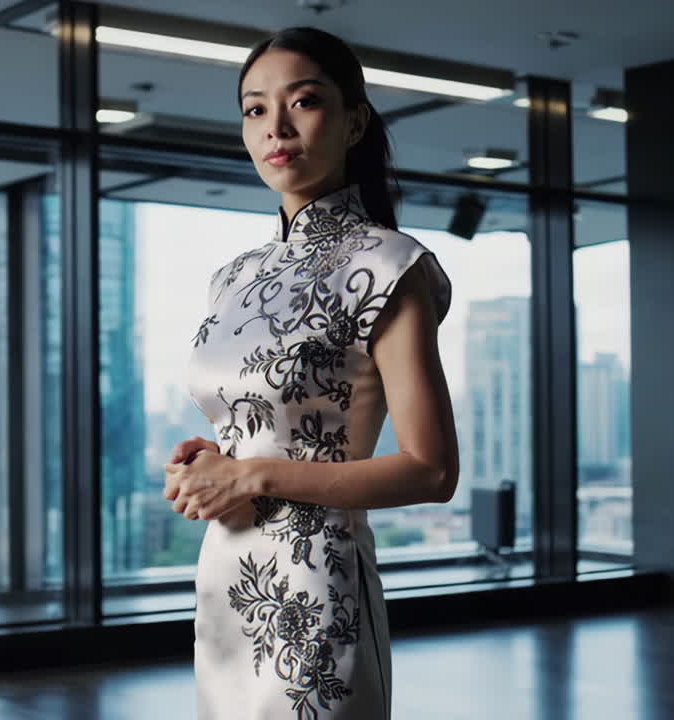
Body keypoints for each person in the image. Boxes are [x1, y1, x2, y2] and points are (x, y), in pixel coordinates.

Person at [163, 26, 460, 720]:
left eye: (303, 101)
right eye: (255, 108)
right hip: (228, 577)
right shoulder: (233, 277)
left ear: (354, 122)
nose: (277, 126)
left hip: (319, 590)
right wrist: (212, 462)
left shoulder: (389, 265)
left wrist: (252, 476)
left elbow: (431, 471)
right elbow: (260, 430)